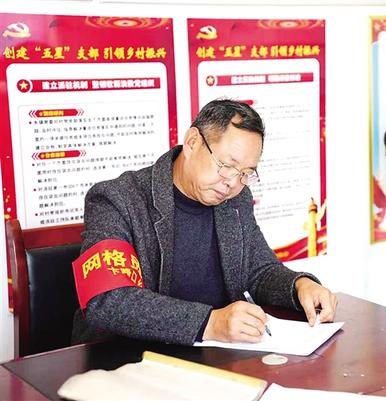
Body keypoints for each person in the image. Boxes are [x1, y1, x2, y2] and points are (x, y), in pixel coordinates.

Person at [72, 99, 337, 346]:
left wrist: (300, 285)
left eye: (245, 173)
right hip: (128, 358)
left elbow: (259, 270)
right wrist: (210, 323)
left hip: (215, 355)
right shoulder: (117, 199)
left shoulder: (236, 199)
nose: (233, 182)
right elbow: (108, 298)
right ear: (192, 142)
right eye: (227, 165)